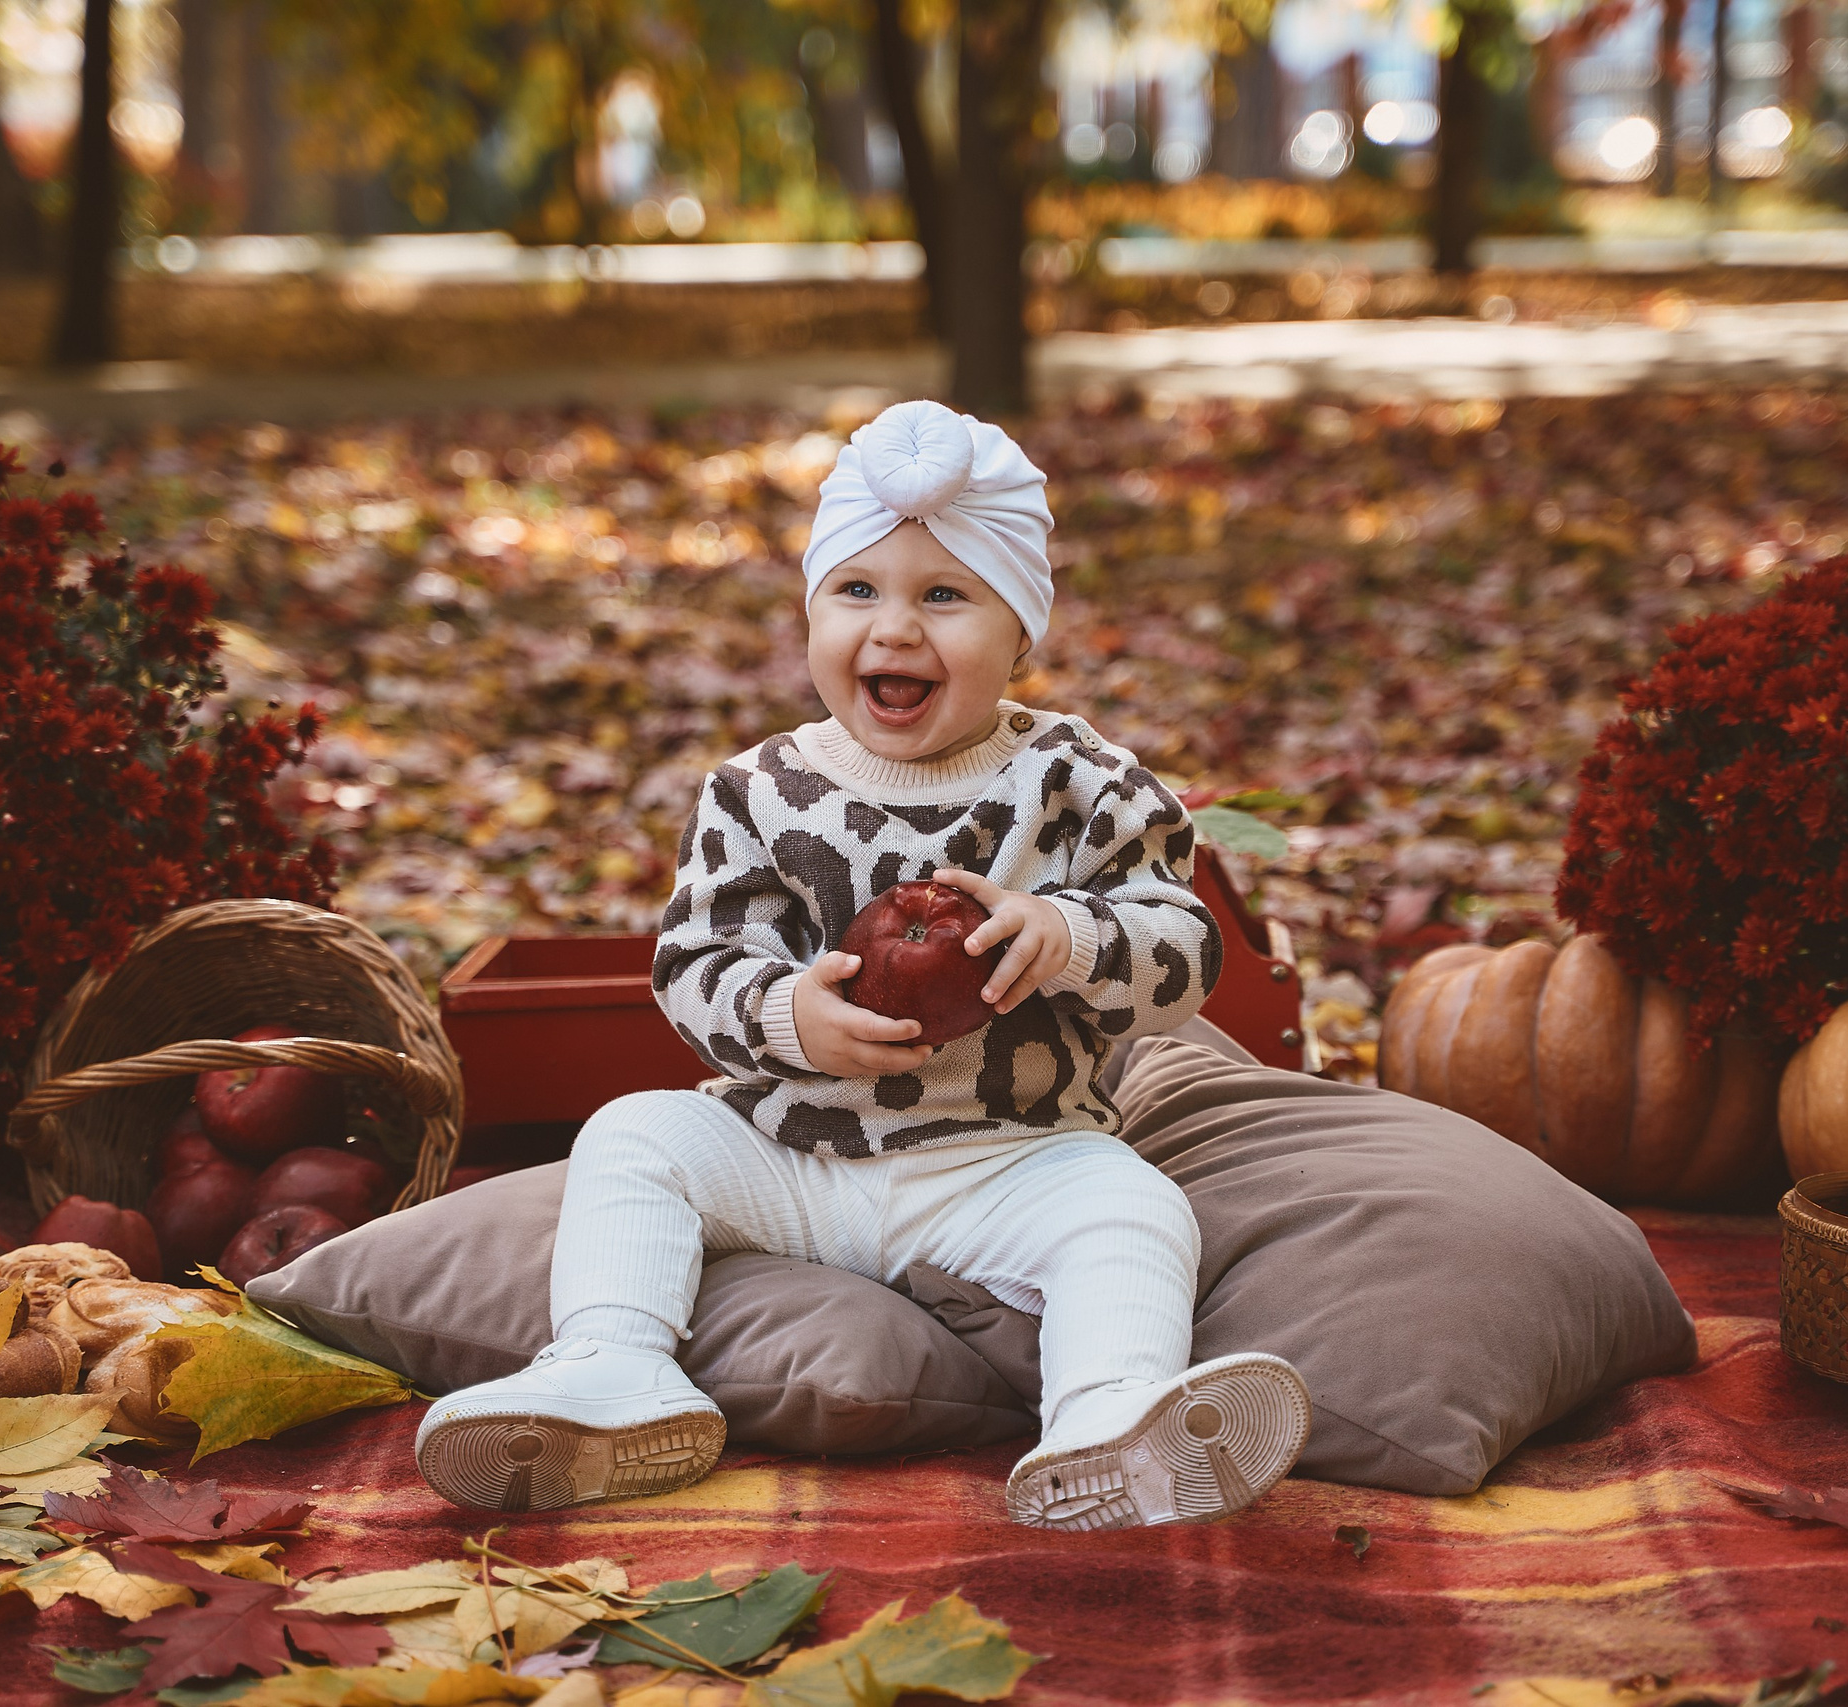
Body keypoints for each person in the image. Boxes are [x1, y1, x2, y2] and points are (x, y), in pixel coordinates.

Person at [414, 399, 1312, 1530]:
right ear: (811, 616)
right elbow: (694, 963)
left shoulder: (1078, 780)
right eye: (857, 591)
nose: (893, 629)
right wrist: (787, 1015)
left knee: (1130, 1207)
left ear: (1019, 631)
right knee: (635, 1136)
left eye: (945, 595)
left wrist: (1070, 936)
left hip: (1008, 1161)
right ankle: (610, 1367)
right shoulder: (760, 789)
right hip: (797, 1152)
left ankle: (1105, 1415)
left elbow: (1186, 957)